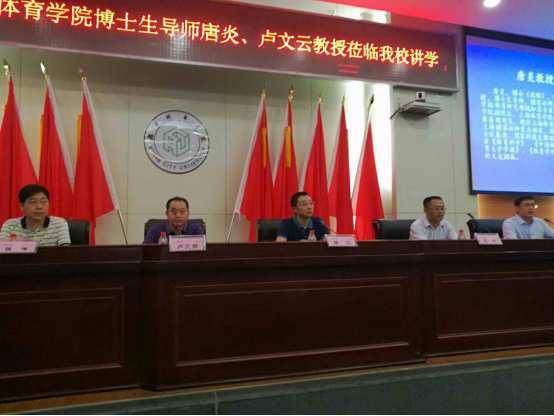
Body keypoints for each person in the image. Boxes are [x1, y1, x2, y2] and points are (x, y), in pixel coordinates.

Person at [0, 185, 71, 246]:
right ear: (22, 206)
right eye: (33, 202)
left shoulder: (59, 224)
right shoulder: (10, 225)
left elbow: (66, 253)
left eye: (43, 202)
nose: (39, 207)